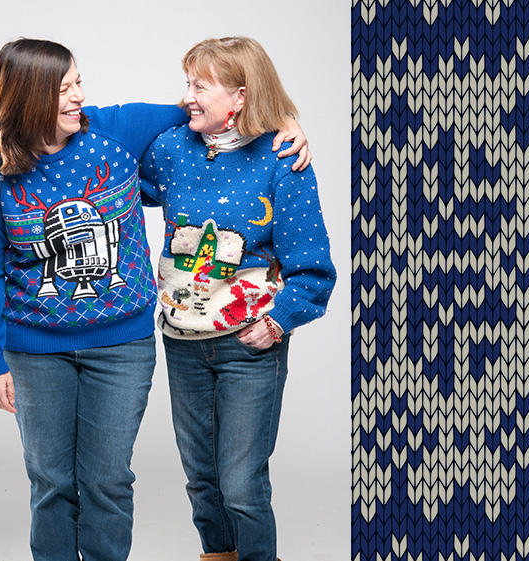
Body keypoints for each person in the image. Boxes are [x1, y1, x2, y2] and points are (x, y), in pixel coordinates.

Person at [0, 38, 310, 561]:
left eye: (78, 81)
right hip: (34, 349)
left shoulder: (113, 131)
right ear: (30, 97)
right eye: (64, 89)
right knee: (52, 483)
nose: (80, 95)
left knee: (107, 481)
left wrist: (286, 118)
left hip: (121, 345)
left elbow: (216, 106)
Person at [139, 37, 337, 561]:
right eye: (187, 83)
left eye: (200, 86)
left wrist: (278, 323)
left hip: (249, 346)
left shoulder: (281, 158)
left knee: (242, 484)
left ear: (241, 96)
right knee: (202, 480)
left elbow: (313, 268)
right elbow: (107, 172)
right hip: (182, 342)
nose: (187, 97)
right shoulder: (171, 149)